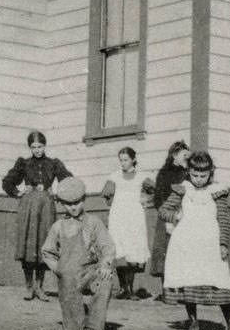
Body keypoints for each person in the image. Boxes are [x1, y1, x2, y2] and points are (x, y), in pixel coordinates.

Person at [159, 150, 230, 330]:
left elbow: (223, 219)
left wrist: (223, 243)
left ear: (211, 173)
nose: (199, 179)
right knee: (190, 281)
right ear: (189, 172)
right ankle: (193, 320)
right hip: (186, 244)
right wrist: (175, 217)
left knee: (219, 282)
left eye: (203, 175)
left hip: (210, 244)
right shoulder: (183, 189)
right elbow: (163, 211)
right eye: (195, 175)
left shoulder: (217, 191)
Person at [2, 129, 72, 300]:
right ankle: (28, 287)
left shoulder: (53, 163)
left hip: (47, 207)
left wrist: (57, 193)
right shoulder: (24, 163)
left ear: (45, 146)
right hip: (29, 207)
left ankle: (40, 287)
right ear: (29, 148)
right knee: (29, 245)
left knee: (44, 244)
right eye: (33, 147)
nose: (37, 150)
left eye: (40, 146)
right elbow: (7, 181)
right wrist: (18, 192)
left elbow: (68, 180)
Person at [41, 177, 115, 330]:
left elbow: (107, 246)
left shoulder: (94, 222)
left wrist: (106, 264)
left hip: (91, 271)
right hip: (69, 273)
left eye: (77, 202)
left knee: (105, 280)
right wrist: (58, 269)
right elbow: (47, 252)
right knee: (68, 289)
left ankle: (94, 325)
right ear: (62, 203)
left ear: (84, 199)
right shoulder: (58, 226)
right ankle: (74, 326)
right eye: (68, 204)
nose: (73, 207)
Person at [101, 146, 154, 300]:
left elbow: (154, 190)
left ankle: (130, 289)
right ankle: (123, 288)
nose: (123, 163)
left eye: (126, 160)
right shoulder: (115, 176)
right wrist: (111, 203)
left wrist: (146, 199)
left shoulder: (141, 177)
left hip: (134, 218)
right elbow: (106, 194)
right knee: (119, 250)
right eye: (121, 160)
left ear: (133, 160)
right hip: (119, 217)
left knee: (132, 250)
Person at [150, 139, 190, 301]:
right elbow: (158, 198)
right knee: (165, 253)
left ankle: (181, 291)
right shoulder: (165, 173)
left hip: (184, 217)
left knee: (182, 254)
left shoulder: (188, 173)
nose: (187, 158)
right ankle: (168, 291)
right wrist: (167, 218)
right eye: (184, 155)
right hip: (167, 217)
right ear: (175, 155)